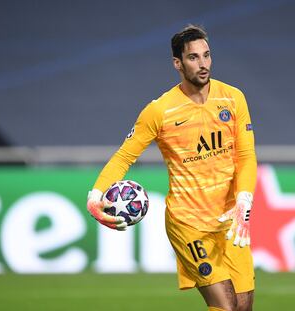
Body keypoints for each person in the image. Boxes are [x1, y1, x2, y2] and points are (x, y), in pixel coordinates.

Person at [87, 25, 257, 311]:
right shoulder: (160, 111)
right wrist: (95, 196)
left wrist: (244, 198)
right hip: (188, 223)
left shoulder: (233, 98)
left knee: (243, 308)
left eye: (206, 55)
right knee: (226, 307)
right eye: (193, 58)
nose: (203, 64)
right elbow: (124, 157)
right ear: (177, 63)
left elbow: (246, 155)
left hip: (229, 221)